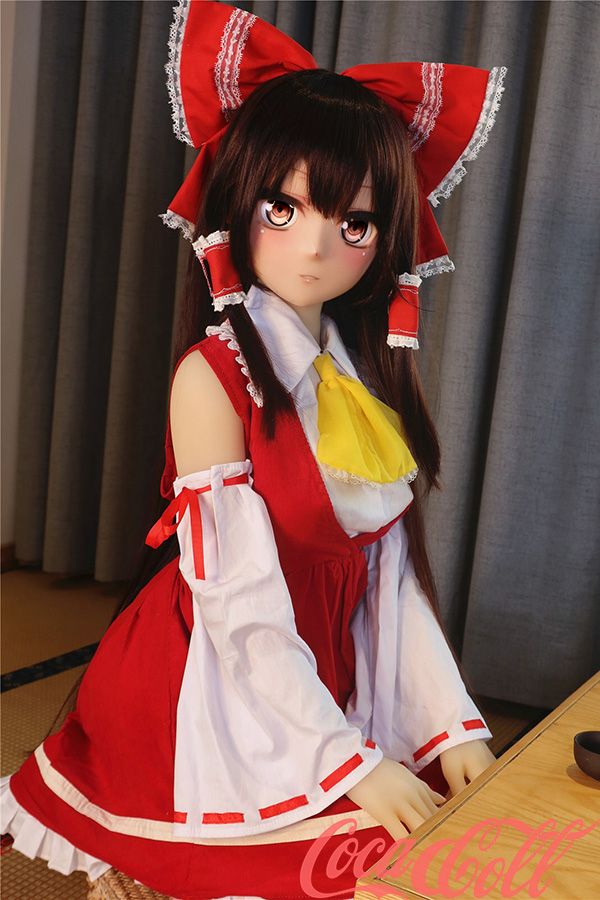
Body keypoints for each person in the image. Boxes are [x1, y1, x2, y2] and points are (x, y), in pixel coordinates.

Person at [1, 3, 506, 898]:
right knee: (347, 866)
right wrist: (351, 764)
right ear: (238, 203)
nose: (315, 248)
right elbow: (241, 611)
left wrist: (450, 721)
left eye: (354, 224)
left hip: (322, 677)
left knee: (455, 831)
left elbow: (389, 578)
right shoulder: (212, 379)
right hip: (218, 677)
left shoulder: (358, 374)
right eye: (284, 207)